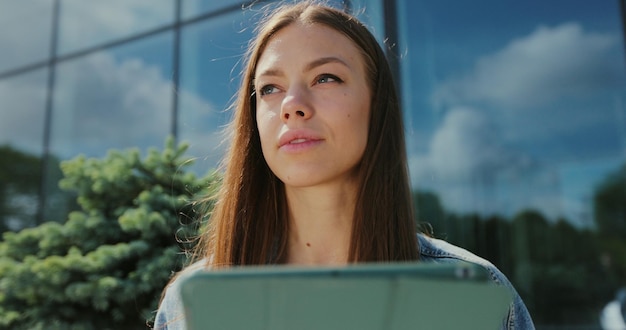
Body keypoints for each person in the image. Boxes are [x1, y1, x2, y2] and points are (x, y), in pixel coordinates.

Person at [154, 1, 535, 329]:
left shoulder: (472, 294)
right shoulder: (186, 307)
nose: (292, 103)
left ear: (377, 106)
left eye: (326, 78)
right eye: (269, 87)